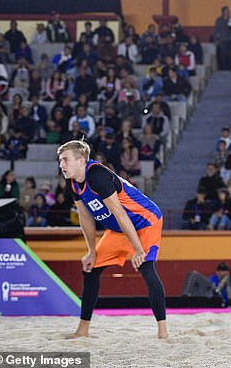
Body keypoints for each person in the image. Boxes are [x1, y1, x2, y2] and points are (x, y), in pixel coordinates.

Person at [57, 140, 168, 339]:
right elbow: (85, 218)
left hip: (145, 222)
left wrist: (138, 250)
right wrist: (91, 251)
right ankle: (83, 330)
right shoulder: (72, 181)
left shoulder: (98, 176)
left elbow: (120, 213)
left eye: (65, 160)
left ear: (81, 160)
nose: (61, 165)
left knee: (146, 267)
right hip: (119, 229)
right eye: (60, 160)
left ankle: (163, 332)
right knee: (90, 269)